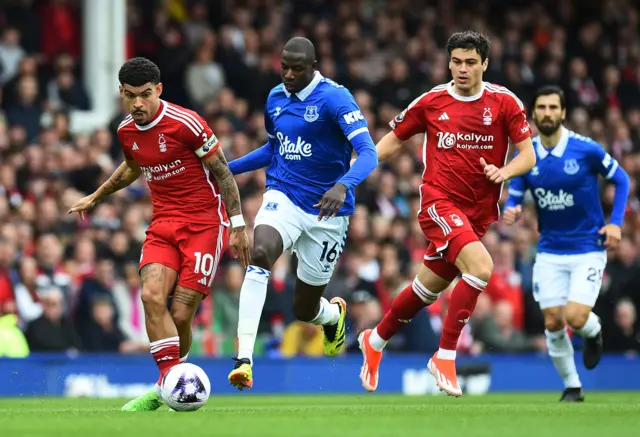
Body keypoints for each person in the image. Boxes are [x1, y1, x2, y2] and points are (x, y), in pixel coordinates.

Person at [357, 30, 536, 397]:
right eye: (456, 61)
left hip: (479, 214)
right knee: (482, 268)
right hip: (440, 204)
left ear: (485, 64)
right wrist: (352, 175)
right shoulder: (432, 102)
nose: (463, 69)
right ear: (448, 61)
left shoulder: (505, 103)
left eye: (471, 62)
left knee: (426, 289)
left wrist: (505, 172)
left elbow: (528, 155)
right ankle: (446, 355)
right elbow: (390, 142)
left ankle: (374, 341)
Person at [68, 57, 250, 411]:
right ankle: (168, 382)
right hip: (164, 223)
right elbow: (133, 167)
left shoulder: (187, 124)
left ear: (159, 91)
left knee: (181, 315)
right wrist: (97, 195)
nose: (138, 103)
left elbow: (224, 173)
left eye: (145, 95)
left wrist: (238, 224)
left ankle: (164, 384)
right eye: (130, 96)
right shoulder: (125, 131)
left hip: (204, 224)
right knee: (151, 296)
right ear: (121, 93)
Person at [226, 37, 378, 390]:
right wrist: (227, 168)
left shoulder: (335, 98)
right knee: (260, 253)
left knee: (304, 308)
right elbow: (274, 148)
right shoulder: (275, 98)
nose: (289, 75)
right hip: (284, 196)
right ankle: (244, 359)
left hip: (328, 212)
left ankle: (333, 317)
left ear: (314, 66)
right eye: (285, 68)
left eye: (297, 69)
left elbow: (368, 152)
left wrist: (343, 185)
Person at [503, 85, 630, 402]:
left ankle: (593, 330)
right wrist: (512, 209)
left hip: (588, 246)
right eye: (541, 108)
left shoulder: (585, 149)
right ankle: (572, 387)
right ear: (533, 114)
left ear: (562, 113)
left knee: (575, 317)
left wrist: (615, 223)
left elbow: (622, 179)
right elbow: (516, 193)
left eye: (552, 108)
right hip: (548, 250)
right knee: (553, 322)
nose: (546, 113)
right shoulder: (526, 155)